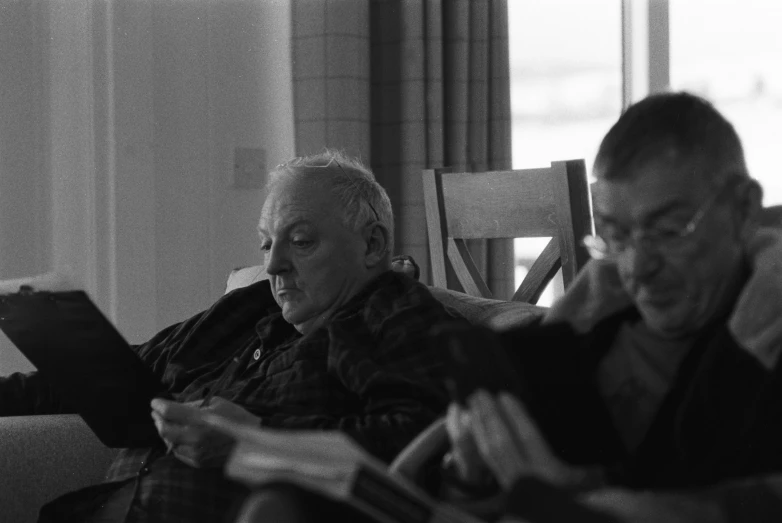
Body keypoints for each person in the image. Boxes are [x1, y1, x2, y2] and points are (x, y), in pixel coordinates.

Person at [0, 150, 460, 522]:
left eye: (300, 242)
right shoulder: (249, 308)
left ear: (373, 244)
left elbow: (424, 436)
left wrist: (258, 437)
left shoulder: (392, 316)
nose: (275, 264)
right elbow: (113, 372)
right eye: (266, 243)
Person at [444, 92, 782, 522]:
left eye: (667, 230)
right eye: (615, 236)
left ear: (744, 209)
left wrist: (561, 503)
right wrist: (471, 480)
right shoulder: (591, 328)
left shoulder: (764, 343)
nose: (637, 268)